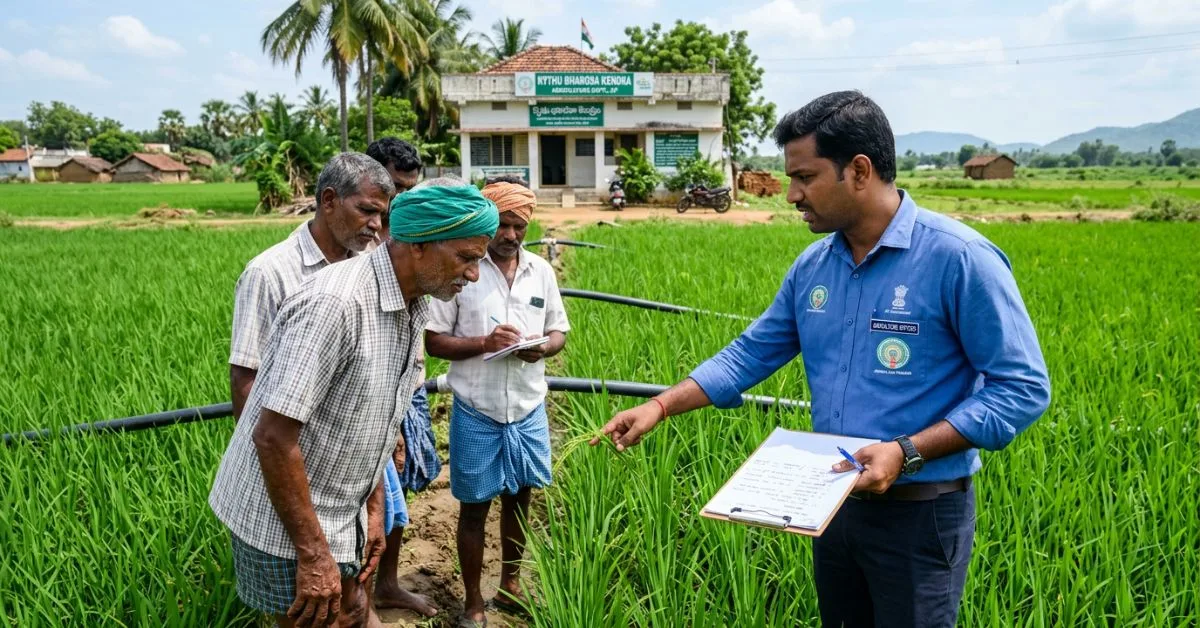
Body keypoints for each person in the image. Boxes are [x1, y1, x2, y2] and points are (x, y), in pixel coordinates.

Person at [593, 90, 1051, 628]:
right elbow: (750, 352)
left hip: (919, 514)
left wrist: (905, 451)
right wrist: (660, 406)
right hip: (832, 503)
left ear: (858, 171)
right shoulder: (814, 266)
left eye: (805, 177)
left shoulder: (960, 259)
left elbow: (1022, 388)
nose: (792, 194)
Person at [209, 179, 499, 628]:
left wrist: (375, 509)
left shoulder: (413, 303)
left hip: (342, 505)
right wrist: (314, 555)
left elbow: (376, 420)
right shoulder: (336, 305)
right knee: (325, 618)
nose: (474, 274)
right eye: (466, 257)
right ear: (419, 245)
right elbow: (271, 436)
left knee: (355, 610)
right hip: (287, 523)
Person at [424, 181, 570, 627]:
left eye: (518, 226)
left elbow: (559, 330)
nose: (510, 235)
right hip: (477, 409)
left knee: (520, 498)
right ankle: (473, 601)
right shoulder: (462, 270)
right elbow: (434, 341)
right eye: (502, 225)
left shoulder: (540, 272)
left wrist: (542, 348)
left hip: (527, 406)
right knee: (473, 507)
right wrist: (485, 343)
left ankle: (510, 584)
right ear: (488, 224)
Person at [228, 153, 389, 422]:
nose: (377, 224)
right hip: (291, 436)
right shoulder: (269, 273)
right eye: (366, 210)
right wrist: (263, 445)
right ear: (329, 200)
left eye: (381, 214)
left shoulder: (369, 266)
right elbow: (245, 375)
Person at [364, 138, 440, 618]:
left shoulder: (411, 238)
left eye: (410, 190)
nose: (400, 201)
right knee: (365, 498)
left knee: (398, 487)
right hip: (366, 395)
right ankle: (361, 597)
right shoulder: (358, 242)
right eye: (395, 188)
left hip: (407, 384)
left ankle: (387, 584)